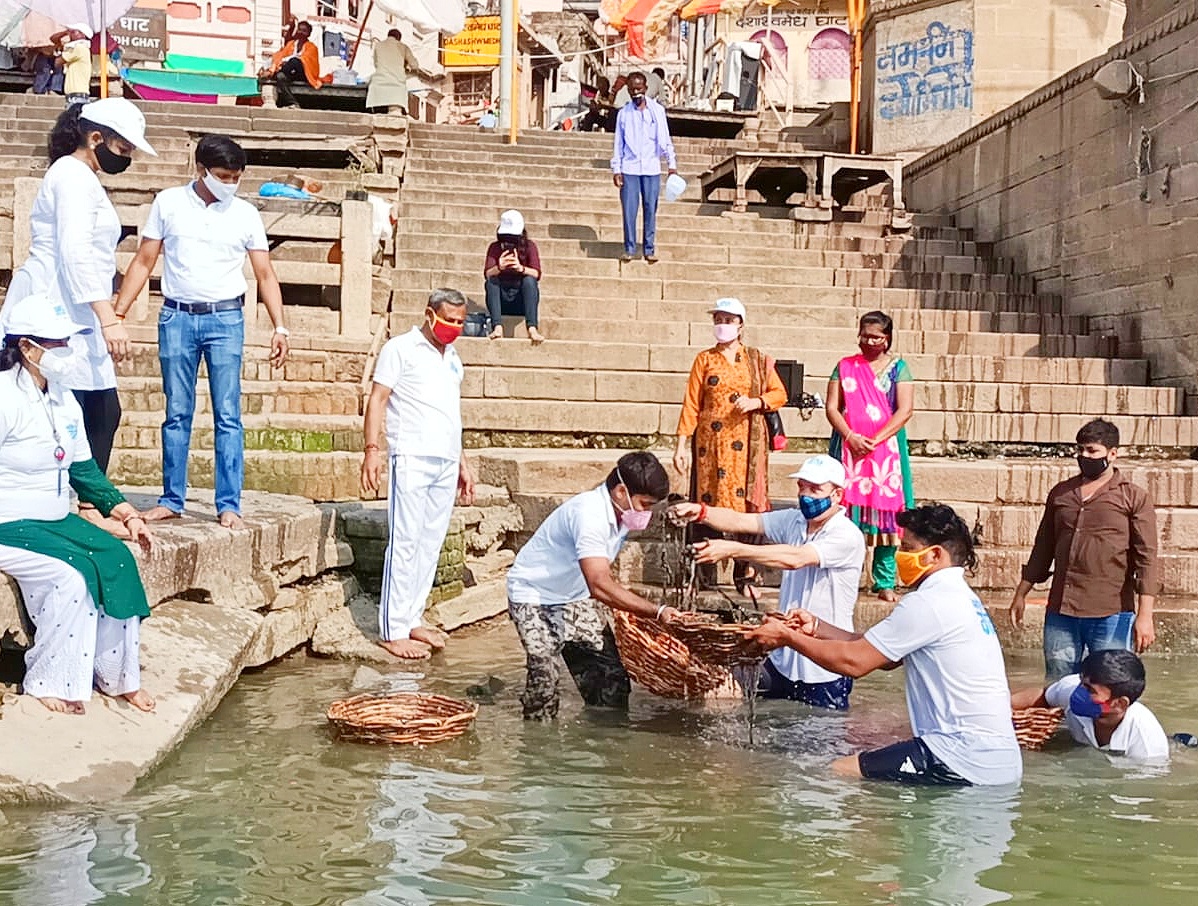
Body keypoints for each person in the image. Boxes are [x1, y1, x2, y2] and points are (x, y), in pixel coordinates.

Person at [746, 504, 1023, 786]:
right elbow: (885, 656)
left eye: (907, 547)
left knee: (834, 771)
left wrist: (789, 638)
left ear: (935, 554)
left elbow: (855, 663)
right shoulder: (959, 597)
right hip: (999, 763)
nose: (900, 555)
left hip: (960, 756)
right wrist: (817, 628)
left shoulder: (930, 602)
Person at [111, 135, 290, 529]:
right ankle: (171, 498)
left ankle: (229, 504)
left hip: (226, 319)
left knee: (229, 414)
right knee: (176, 412)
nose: (231, 184)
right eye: (224, 176)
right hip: (177, 316)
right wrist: (117, 313)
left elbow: (264, 272)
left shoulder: (245, 213)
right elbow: (143, 260)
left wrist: (281, 326)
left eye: (237, 177)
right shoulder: (169, 203)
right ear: (201, 170)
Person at [0, 292, 155, 715]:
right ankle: (50, 679)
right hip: (8, 523)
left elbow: (84, 470)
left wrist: (125, 511)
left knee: (116, 557)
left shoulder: (63, 396)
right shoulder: (3, 397)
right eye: (57, 344)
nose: (68, 352)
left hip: (53, 520)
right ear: (28, 348)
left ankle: (118, 676)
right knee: (70, 576)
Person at [6, 99, 155, 533]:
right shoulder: (71, 176)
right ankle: (80, 504)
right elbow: (73, 252)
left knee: (99, 407)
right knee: (81, 406)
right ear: (96, 138)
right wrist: (108, 316)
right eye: (123, 149)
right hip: (55, 304)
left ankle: (88, 503)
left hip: (77, 304)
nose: (123, 158)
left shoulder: (83, 178)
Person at [672, 455, 865, 709]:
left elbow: (795, 559)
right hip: (781, 656)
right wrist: (701, 512)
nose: (806, 495)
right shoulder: (794, 520)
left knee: (819, 738)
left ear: (837, 495)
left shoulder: (846, 535)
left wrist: (733, 549)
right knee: (716, 692)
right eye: (802, 487)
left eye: (815, 489)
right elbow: (742, 521)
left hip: (823, 666)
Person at [506, 451, 680, 720]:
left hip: (573, 596)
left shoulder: (620, 513)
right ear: (621, 491)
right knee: (545, 685)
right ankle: (537, 751)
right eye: (645, 504)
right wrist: (656, 612)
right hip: (534, 596)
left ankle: (606, 747)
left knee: (610, 680)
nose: (646, 513)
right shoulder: (589, 514)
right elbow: (599, 584)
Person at [361, 289, 476, 660]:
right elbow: (377, 398)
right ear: (430, 314)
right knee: (405, 540)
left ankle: (412, 616)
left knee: (430, 541)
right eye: (449, 320)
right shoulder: (400, 348)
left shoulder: (453, 358)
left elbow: (450, 412)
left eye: (460, 321)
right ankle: (392, 629)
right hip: (410, 455)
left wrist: (462, 461)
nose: (455, 327)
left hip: (445, 458)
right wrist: (372, 450)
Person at [1009, 418, 1158, 680]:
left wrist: (1145, 615)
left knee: (1111, 685)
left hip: (1111, 611)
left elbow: (1147, 558)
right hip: (1061, 611)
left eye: (1092, 451)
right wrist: (1021, 593)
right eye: (1080, 450)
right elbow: (1043, 547)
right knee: (1058, 682)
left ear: (1113, 454)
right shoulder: (1061, 494)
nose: (1084, 456)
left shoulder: (1133, 497)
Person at [673, 297, 786, 595]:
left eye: (728, 319)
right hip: (709, 447)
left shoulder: (757, 360)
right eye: (718, 319)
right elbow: (691, 404)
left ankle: (745, 573)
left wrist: (757, 402)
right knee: (705, 502)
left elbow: (779, 393)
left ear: (740, 325)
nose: (722, 325)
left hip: (746, 446)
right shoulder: (704, 359)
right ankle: (702, 574)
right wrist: (681, 444)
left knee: (745, 505)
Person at [825, 310, 915, 603]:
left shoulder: (899, 368)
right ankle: (843, 575)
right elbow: (832, 407)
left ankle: (884, 581)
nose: (869, 341)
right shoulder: (845, 367)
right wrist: (850, 437)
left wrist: (875, 439)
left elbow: (905, 410)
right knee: (844, 511)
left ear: (887, 339)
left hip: (885, 452)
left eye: (875, 336)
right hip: (849, 449)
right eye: (864, 336)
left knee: (888, 513)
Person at [1011, 649, 1169, 762]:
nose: (1079, 692)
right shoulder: (1071, 689)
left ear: (1119, 704)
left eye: (1090, 690)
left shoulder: (1147, 745)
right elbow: (1042, 697)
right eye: (1082, 683)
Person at [611, 71, 677, 264]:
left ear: (646, 89)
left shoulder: (657, 111)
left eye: (639, 89)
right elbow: (618, 143)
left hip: (651, 168)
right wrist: (617, 169)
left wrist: (671, 165)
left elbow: (664, 139)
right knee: (629, 210)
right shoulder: (624, 114)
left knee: (650, 208)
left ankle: (649, 249)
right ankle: (629, 248)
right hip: (630, 168)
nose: (636, 93)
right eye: (632, 90)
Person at [483, 209, 544, 344]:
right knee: (492, 281)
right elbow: (487, 274)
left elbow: (537, 273)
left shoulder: (529, 246)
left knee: (529, 280)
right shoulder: (495, 247)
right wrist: (499, 267)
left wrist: (521, 268)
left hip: (521, 299)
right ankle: (497, 327)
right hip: (501, 299)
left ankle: (532, 328)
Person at [257, 20, 320, 108]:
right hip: (290, 71)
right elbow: (280, 55)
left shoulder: (312, 47)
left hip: (305, 74)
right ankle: (293, 103)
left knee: (295, 61)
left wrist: (285, 62)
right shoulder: (291, 44)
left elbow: (306, 62)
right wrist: (271, 66)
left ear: (309, 34)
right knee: (280, 76)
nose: (301, 33)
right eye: (299, 30)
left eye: (304, 31)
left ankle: (272, 74)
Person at [366, 29, 423, 115]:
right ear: (399, 38)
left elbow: (376, 64)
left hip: (378, 86)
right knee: (394, 116)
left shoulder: (378, 45)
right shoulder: (403, 47)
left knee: (377, 116)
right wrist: (405, 66)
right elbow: (414, 65)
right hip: (396, 88)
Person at [50, 24, 91, 105]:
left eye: (74, 32)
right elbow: (53, 38)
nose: (70, 34)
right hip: (74, 95)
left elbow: (57, 62)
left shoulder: (79, 48)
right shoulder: (76, 48)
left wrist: (58, 51)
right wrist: (65, 32)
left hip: (77, 95)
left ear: (82, 34)